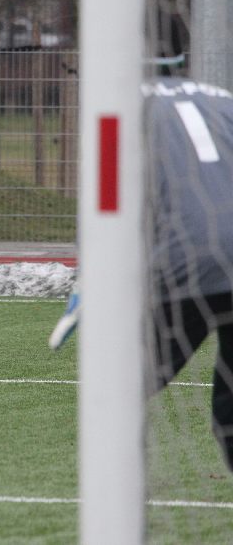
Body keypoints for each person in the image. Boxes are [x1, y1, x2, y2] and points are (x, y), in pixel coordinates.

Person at [50, 78, 233, 472]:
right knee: (229, 411)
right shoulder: (222, 98)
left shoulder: (119, 104)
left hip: (188, 258)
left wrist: (90, 277)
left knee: (122, 383)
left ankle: (112, 498)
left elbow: (106, 195)